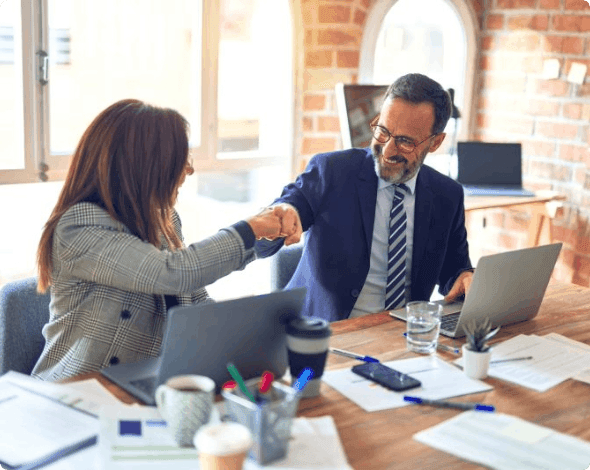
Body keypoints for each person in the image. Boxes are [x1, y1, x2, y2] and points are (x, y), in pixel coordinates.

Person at [32, 99, 298, 381]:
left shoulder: (165, 220)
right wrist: (250, 229)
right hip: (75, 391)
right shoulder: (79, 226)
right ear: (144, 166)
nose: (189, 170)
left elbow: (191, 299)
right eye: (180, 159)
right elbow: (173, 272)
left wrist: (250, 326)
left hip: (142, 384)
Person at [256, 73, 474, 322]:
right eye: (383, 131)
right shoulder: (332, 171)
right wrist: (281, 217)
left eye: (405, 142)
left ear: (435, 142)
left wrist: (466, 277)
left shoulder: (447, 195)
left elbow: (454, 271)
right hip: (326, 331)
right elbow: (282, 216)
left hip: (401, 335)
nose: (388, 149)